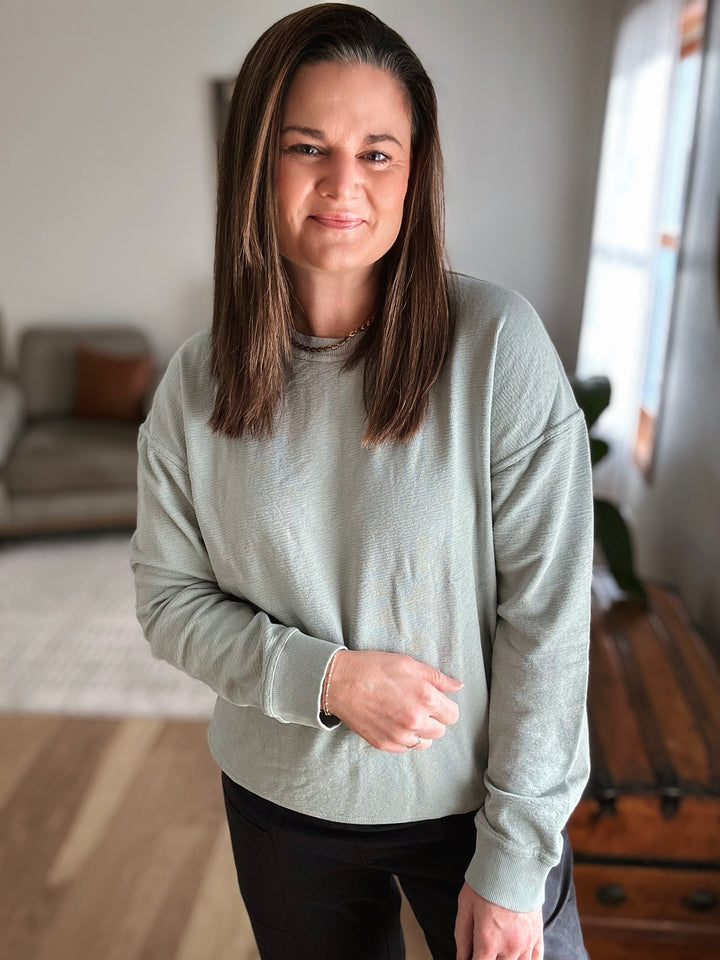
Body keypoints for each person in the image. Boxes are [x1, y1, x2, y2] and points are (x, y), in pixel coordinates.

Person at [130, 4, 594, 959]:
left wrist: (513, 861)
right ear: (259, 159)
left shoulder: (497, 346)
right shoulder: (195, 381)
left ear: (415, 171)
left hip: (479, 812)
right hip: (281, 810)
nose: (344, 184)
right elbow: (168, 599)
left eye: (378, 152)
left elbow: (548, 619)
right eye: (309, 146)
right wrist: (330, 680)